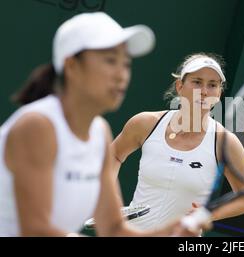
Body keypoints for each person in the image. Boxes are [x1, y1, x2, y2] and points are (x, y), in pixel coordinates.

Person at [0, 12, 206, 237]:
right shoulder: (37, 126)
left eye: (126, 64)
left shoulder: (99, 132)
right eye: (110, 60)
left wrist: (168, 233)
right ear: (71, 65)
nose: (122, 75)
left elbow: (114, 229)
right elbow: (35, 231)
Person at [111, 53, 244, 232]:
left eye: (212, 85)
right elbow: (113, 156)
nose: (204, 91)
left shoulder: (225, 142)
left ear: (219, 93)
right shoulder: (144, 123)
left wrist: (209, 214)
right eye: (197, 82)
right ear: (180, 86)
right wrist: (109, 199)